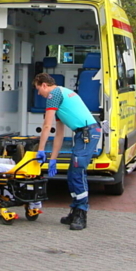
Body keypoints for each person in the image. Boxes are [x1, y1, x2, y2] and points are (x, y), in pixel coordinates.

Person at [33, 72, 100, 231]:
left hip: (87, 134)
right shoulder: (61, 94)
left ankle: (81, 214)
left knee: (78, 172)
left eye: (38, 89)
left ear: (44, 85)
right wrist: (53, 159)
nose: (38, 93)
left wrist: (41, 150)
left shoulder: (53, 95)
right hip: (85, 133)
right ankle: (75, 210)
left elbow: (47, 127)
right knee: (72, 174)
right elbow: (59, 133)